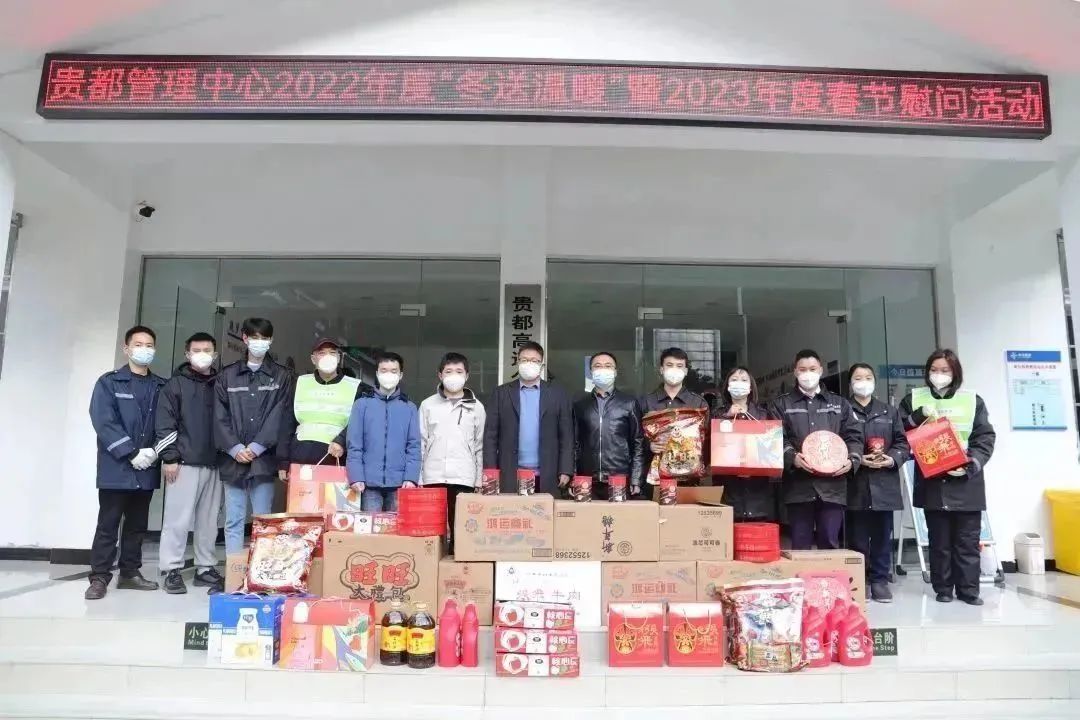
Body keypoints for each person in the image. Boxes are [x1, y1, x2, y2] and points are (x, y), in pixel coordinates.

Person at [900, 349, 995, 606]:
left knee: (967, 540)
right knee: (939, 540)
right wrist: (917, 416)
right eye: (934, 370)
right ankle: (943, 588)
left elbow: (984, 437)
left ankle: (969, 590)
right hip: (933, 479)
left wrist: (971, 464)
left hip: (965, 479)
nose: (939, 375)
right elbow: (899, 430)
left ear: (955, 373)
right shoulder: (913, 399)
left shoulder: (972, 400)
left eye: (945, 370)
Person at [85, 325, 167, 600]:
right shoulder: (109, 383)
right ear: (126, 349)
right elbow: (103, 421)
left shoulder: (161, 386)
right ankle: (99, 577)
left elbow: (168, 422)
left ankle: (130, 573)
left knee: (137, 524)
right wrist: (131, 453)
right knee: (108, 524)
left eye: (149, 345)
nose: (144, 349)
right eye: (138, 344)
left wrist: (155, 452)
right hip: (116, 467)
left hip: (147, 467)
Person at [215, 318, 292, 555]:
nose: (260, 342)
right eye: (255, 337)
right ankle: (234, 569)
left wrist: (257, 446)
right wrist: (235, 448)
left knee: (263, 520)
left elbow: (281, 414)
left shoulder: (282, 376)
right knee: (233, 519)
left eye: (264, 338)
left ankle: (261, 570)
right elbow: (218, 415)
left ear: (271, 341)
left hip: (264, 459)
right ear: (245, 339)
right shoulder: (227, 376)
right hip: (233, 459)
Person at [772, 349, 863, 550]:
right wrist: (792, 457)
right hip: (799, 487)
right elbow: (775, 438)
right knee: (800, 545)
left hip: (833, 487)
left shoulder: (839, 404)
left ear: (821, 370)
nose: (808, 374)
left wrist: (852, 460)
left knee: (830, 543)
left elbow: (854, 436)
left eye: (812, 369)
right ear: (795, 372)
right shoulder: (782, 404)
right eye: (803, 369)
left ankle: (828, 573)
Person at [846, 363, 909, 603]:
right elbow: (837, 442)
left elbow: (902, 443)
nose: (863, 381)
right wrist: (856, 459)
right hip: (856, 482)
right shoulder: (843, 410)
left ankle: (880, 580)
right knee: (857, 536)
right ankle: (859, 579)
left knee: (883, 535)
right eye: (858, 377)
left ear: (874, 381)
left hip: (884, 483)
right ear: (851, 383)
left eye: (868, 377)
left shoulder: (888, 412)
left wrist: (891, 459)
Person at [483, 341, 574, 495]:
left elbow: (566, 435)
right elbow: (490, 436)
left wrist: (566, 469)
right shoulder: (501, 393)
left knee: (543, 510)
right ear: (518, 363)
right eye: (524, 360)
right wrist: (490, 472)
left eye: (534, 360)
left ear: (542, 365)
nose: (529, 364)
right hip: (510, 474)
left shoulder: (558, 394)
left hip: (548, 474)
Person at [278, 339, 372, 479]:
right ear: (313, 359)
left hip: (335, 457)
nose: (328, 357)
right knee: (302, 494)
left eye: (332, 353)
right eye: (322, 353)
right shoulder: (299, 383)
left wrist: (341, 441)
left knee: (331, 494)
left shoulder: (356, 387)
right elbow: (287, 424)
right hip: (301, 457)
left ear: (339, 358)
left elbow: (360, 422)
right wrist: (283, 462)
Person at [419, 352, 486, 550]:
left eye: (459, 371)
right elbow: (421, 442)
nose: (454, 375)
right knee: (432, 531)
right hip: (433, 476)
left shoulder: (477, 407)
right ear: (440, 375)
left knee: (462, 530)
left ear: (467, 375)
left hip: (464, 477)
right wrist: (419, 478)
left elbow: (479, 445)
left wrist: (478, 480)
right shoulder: (427, 405)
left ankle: (457, 565)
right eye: (449, 371)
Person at [346, 351, 421, 512]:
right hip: (368, 484)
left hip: (400, 484)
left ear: (401, 375)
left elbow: (414, 446)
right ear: (377, 373)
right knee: (371, 527)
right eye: (384, 370)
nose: (389, 375)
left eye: (394, 371)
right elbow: (354, 444)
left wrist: (411, 477)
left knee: (397, 527)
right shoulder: (362, 405)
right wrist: (356, 476)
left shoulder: (409, 408)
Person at [574, 351, 646, 499]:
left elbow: (638, 443)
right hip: (586, 480)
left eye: (608, 366)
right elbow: (574, 443)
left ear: (615, 371)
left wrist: (636, 478)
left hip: (619, 478)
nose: (603, 369)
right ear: (591, 372)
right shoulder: (580, 405)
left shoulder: (629, 403)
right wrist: (573, 476)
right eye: (597, 366)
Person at [710, 366, 776, 521]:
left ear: (750, 387)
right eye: (734, 380)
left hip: (758, 492)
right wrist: (727, 417)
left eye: (744, 380)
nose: (739, 383)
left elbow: (772, 449)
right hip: (728, 489)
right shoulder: (717, 414)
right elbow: (710, 447)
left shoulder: (763, 414)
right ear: (727, 386)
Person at [639, 347, 711, 487]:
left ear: (686, 371)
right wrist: (648, 445)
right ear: (661, 369)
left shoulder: (698, 403)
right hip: (655, 479)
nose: (674, 369)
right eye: (669, 365)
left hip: (689, 478)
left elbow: (707, 440)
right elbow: (635, 437)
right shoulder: (646, 402)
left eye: (679, 366)